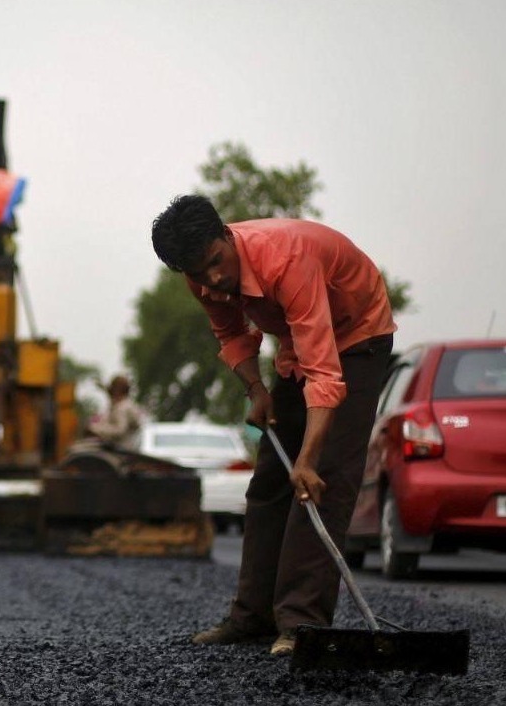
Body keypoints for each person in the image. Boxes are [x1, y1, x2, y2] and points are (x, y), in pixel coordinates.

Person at [150, 194, 395, 658]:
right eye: (199, 273)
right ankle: (253, 617)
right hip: (298, 341)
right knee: (268, 483)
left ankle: (302, 622)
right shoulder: (199, 275)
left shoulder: (287, 260)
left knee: (322, 480)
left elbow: (324, 372)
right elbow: (232, 334)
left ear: (227, 235)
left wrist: (308, 458)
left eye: (217, 263)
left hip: (358, 336)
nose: (214, 279)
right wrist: (256, 391)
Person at [86, 374, 145, 450]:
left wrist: (94, 429)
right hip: (126, 448)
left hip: (120, 450)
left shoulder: (122, 408)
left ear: (117, 391)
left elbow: (119, 430)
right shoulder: (128, 405)